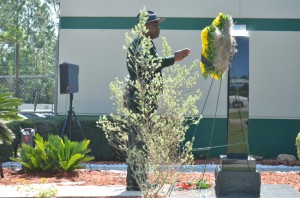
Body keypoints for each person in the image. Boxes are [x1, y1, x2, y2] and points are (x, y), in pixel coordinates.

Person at [125, 10, 191, 191]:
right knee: (138, 143)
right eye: (155, 24)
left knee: (141, 143)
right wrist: (173, 58)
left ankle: (137, 181)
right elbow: (149, 65)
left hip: (144, 100)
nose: (158, 28)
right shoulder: (140, 44)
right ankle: (136, 183)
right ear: (145, 27)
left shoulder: (145, 43)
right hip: (140, 100)